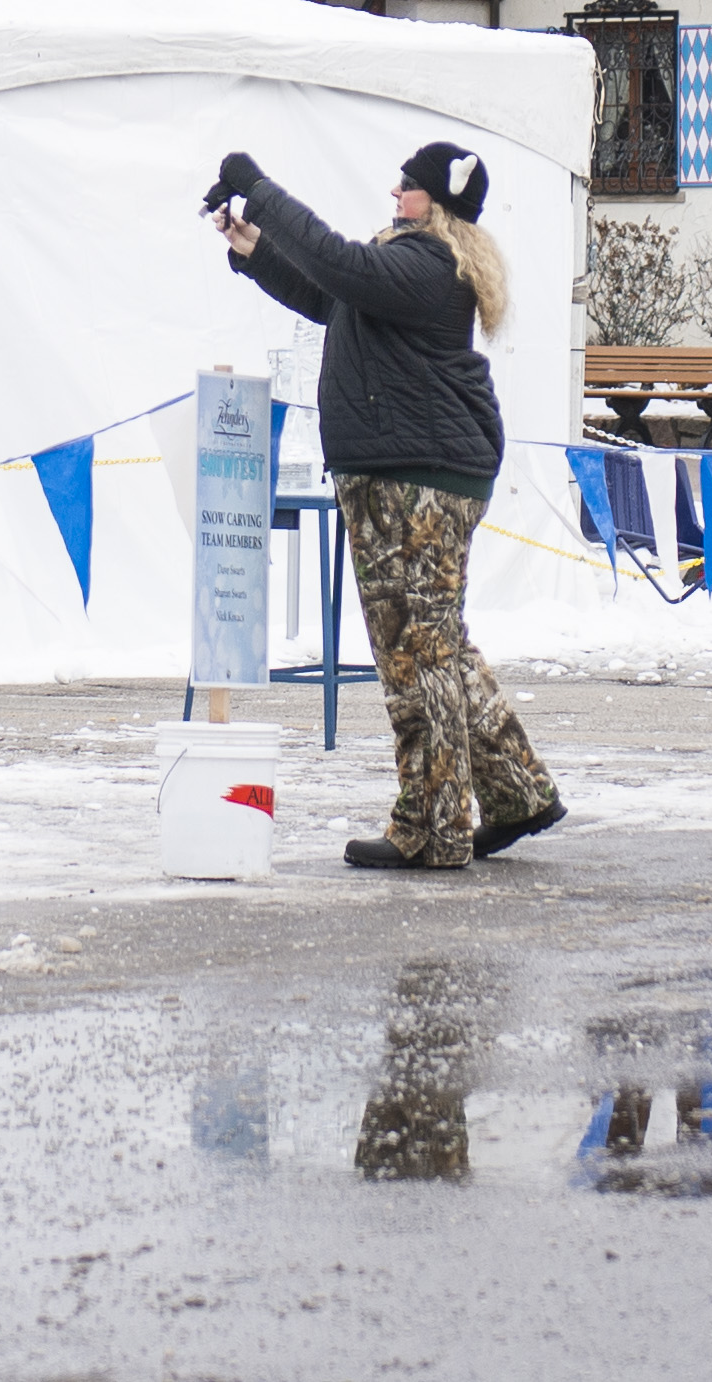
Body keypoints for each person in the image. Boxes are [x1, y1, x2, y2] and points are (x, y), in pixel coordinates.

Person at [211, 141, 562, 872]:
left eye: (406, 184)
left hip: (413, 481)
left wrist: (259, 188)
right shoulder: (414, 266)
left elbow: (338, 264)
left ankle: (432, 827)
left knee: (413, 658)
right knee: (438, 648)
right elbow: (330, 295)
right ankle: (517, 792)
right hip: (414, 475)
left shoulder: (428, 263)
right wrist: (252, 248)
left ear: (433, 202)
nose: (393, 192)